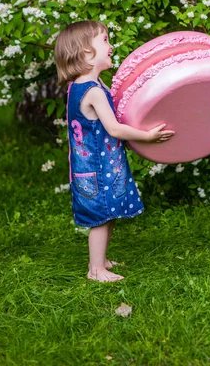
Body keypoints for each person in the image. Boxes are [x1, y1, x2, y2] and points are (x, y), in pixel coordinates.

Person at [54, 21, 174, 283]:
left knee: (108, 211)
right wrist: (147, 137)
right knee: (100, 216)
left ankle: (103, 259)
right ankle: (95, 269)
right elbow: (115, 129)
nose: (111, 47)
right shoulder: (94, 90)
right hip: (96, 168)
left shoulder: (81, 85)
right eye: (105, 41)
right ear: (86, 52)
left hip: (97, 164)